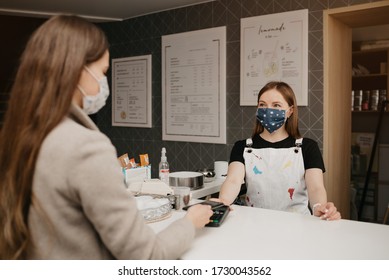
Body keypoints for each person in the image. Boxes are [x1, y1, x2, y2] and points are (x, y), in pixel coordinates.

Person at [0, 15, 213, 260]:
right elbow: (146, 257)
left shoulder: (22, 136)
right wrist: (189, 222)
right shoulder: (86, 146)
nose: (104, 82)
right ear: (77, 69)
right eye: (102, 72)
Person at [217, 81, 341, 221]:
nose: (268, 110)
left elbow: (316, 188)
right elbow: (233, 181)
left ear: (290, 111)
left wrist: (319, 207)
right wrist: (223, 202)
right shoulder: (243, 147)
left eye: (276, 105)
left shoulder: (307, 147)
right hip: (254, 223)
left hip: (298, 225)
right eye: (262, 104)